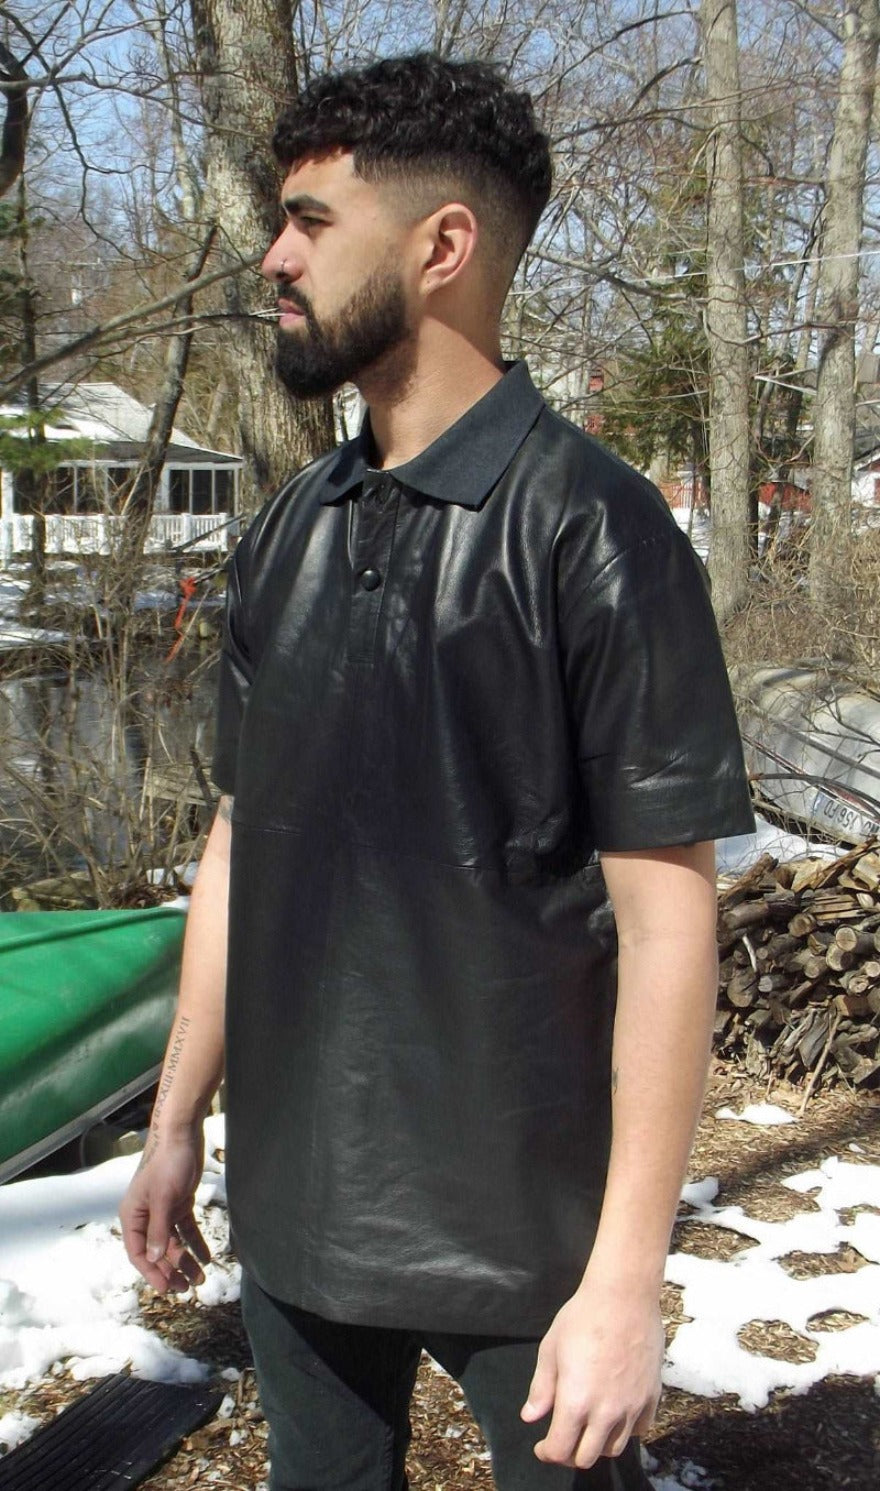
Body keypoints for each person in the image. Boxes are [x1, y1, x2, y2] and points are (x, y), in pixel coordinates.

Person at [120, 53, 754, 1491]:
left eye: (309, 221)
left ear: (442, 246)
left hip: (530, 1240)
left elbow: (667, 929)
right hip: (292, 1214)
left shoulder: (596, 534)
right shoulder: (288, 532)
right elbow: (242, 843)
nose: (274, 257)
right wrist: (173, 1126)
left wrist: (622, 1282)